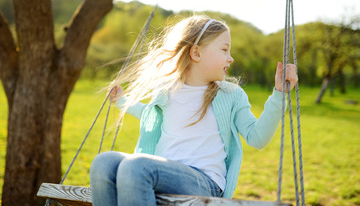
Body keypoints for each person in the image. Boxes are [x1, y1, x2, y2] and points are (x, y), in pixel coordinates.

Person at [89, 15, 298, 206]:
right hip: (164, 172)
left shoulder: (230, 94)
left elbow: (257, 137)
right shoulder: (168, 90)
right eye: (224, 50)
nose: (231, 58)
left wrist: (279, 94)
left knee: (136, 167)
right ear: (196, 53)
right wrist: (122, 101)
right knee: (103, 163)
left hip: (205, 182)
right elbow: (150, 116)